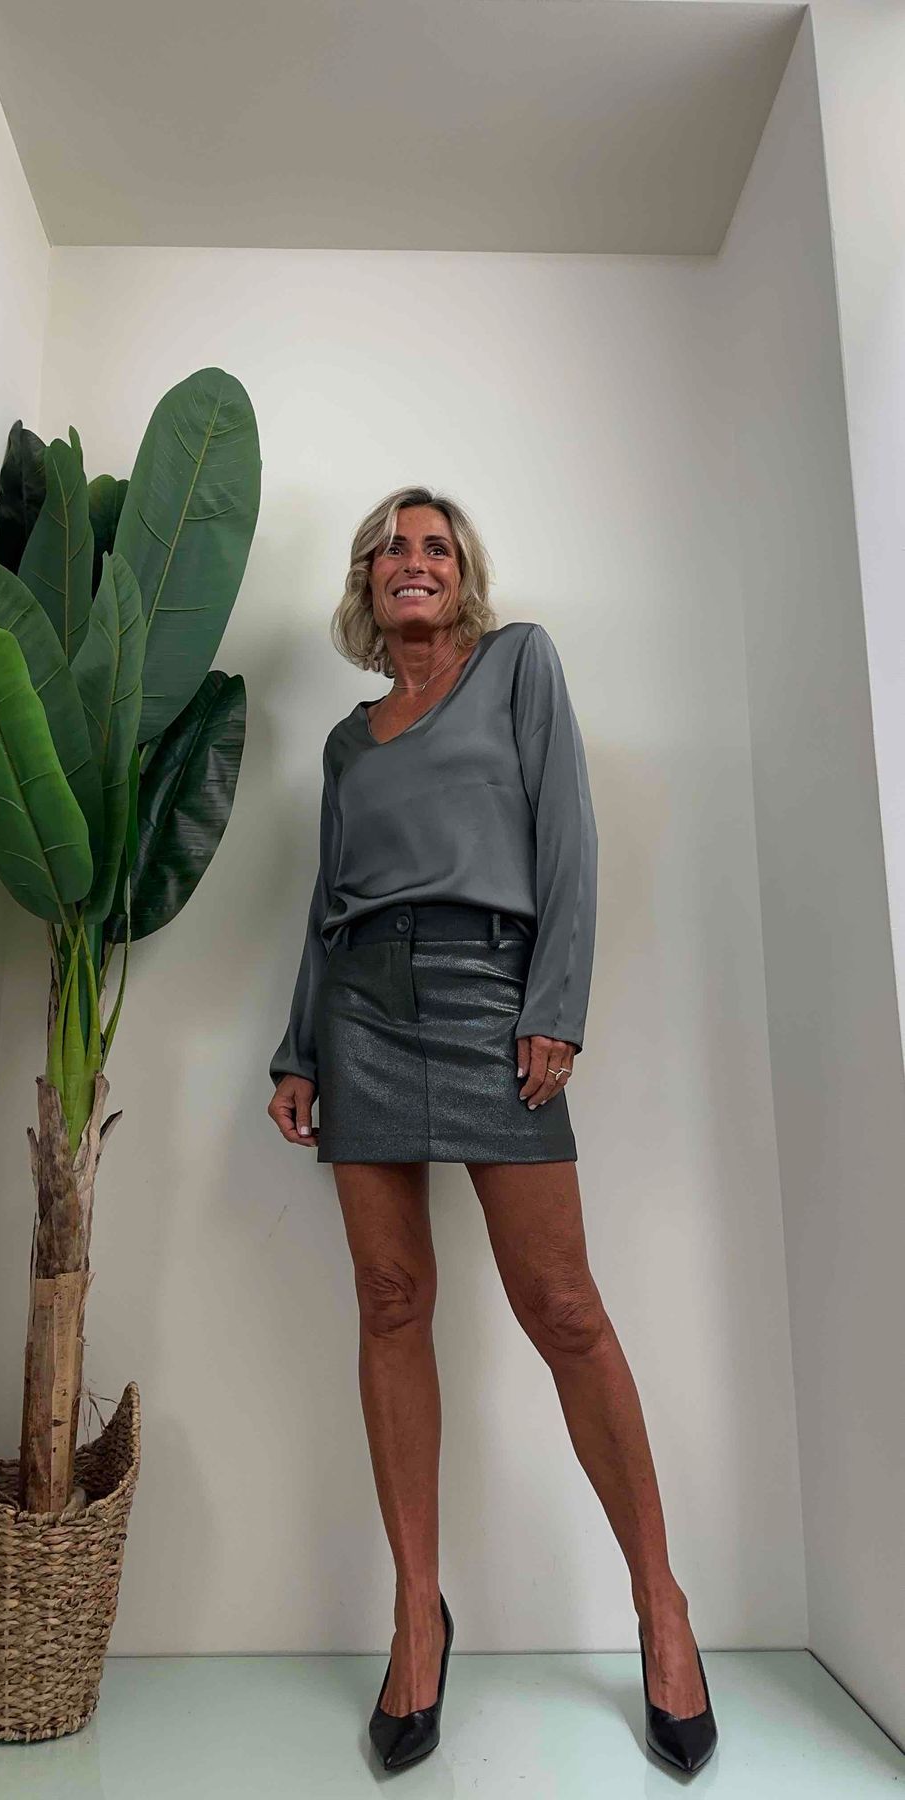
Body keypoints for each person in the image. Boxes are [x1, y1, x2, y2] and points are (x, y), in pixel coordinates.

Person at [268, 486, 718, 1775]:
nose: (411, 560)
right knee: (390, 1302)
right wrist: (300, 1047)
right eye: (390, 547)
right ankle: (418, 1615)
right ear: (368, 583)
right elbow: (327, 901)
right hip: (362, 1011)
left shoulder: (520, 664)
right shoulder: (348, 743)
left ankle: (662, 1606)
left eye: (434, 545)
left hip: (488, 993)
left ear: (462, 575)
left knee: (562, 1306)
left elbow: (568, 831)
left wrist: (554, 1006)